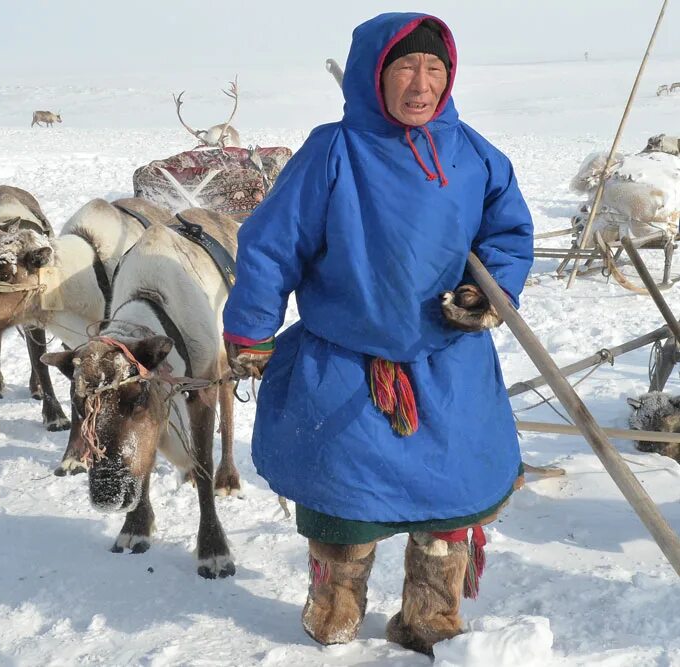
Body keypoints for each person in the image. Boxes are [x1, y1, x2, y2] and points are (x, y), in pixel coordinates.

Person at [222, 12, 534, 657]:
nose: (420, 85)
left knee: (450, 506)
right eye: (404, 68)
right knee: (344, 506)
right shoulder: (332, 151)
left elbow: (507, 235)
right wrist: (252, 330)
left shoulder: (474, 154)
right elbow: (272, 246)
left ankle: (431, 622)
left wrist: (489, 293)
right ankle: (334, 615)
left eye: (434, 70)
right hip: (347, 366)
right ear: (374, 74)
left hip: (448, 363)